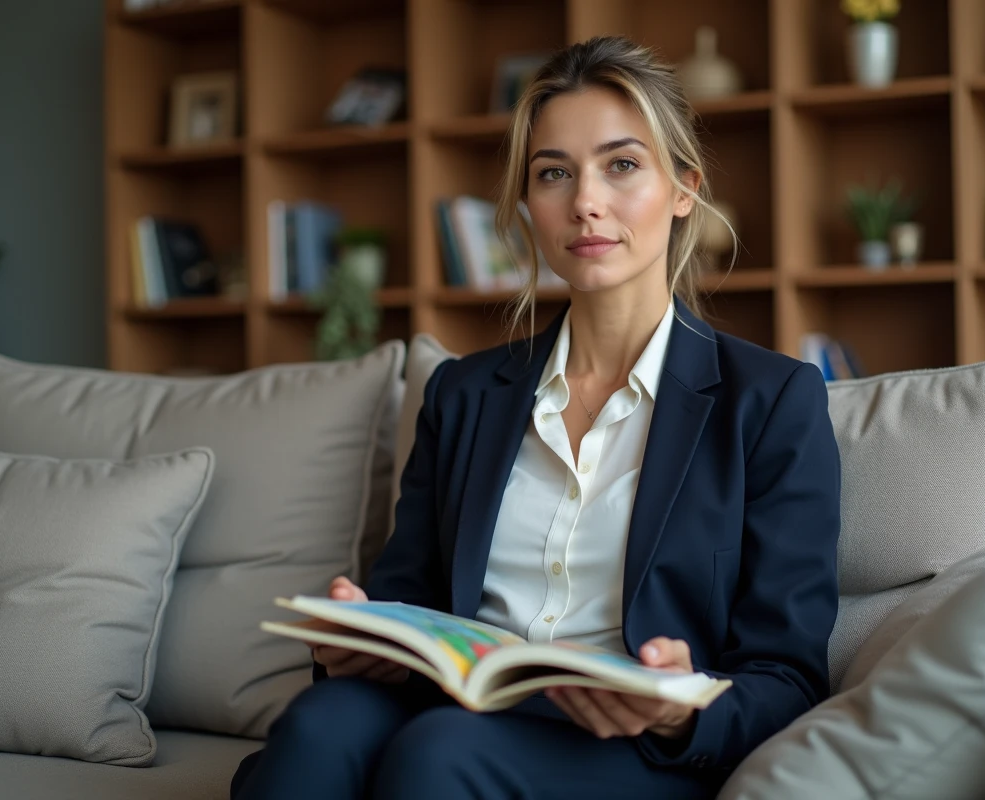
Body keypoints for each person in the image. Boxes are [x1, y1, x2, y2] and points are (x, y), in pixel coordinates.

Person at [231, 34, 841, 800]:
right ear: (527, 204)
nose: (586, 201)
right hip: (455, 704)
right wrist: (366, 643)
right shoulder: (462, 394)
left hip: (627, 746)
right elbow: (412, 603)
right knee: (320, 724)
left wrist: (679, 713)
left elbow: (788, 676)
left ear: (684, 188)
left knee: (440, 753)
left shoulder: (772, 401)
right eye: (554, 173)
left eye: (622, 165)